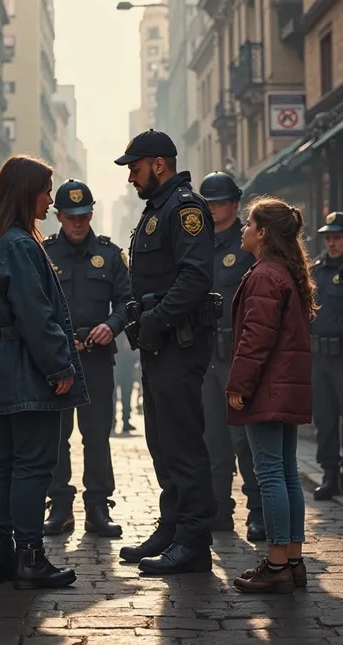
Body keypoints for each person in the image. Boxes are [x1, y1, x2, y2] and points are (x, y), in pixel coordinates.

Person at [0, 157, 89, 590]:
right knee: (33, 464)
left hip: (4, 362)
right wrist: (59, 364)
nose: (50, 199)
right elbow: (35, 315)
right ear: (26, 193)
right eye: (45, 190)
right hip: (26, 364)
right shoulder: (19, 244)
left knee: (1, 461)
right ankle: (30, 557)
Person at [114, 129, 217, 575]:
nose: (131, 179)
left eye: (135, 169)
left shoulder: (186, 208)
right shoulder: (156, 209)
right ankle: (172, 525)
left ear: (159, 164)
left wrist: (154, 321)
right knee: (161, 441)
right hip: (159, 347)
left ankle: (193, 541)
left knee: (183, 442)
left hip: (179, 342)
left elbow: (195, 278)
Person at [228, 197, 314, 594]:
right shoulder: (286, 273)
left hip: (267, 388)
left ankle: (277, 562)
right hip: (286, 386)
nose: (244, 229)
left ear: (262, 233)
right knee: (287, 473)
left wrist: (239, 387)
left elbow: (254, 340)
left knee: (271, 474)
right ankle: (293, 560)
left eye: (249, 224)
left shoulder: (265, 274)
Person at [43, 179, 130, 537]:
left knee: (96, 435)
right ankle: (60, 506)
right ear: (59, 216)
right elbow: (37, 307)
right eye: (70, 216)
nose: (78, 223)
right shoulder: (44, 254)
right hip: (58, 359)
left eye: (83, 215)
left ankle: (97, 506)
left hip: (96, 360)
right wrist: (61, 341)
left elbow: (128, 302)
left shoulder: (110, 254)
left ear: (91, 212)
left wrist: (112, 325)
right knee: (57, 436)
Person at [199, 172, 264, 541]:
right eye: (208, 203)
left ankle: (257, 512)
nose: (213, 209)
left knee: (244, 437)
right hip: (207, 353)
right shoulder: (198, 242)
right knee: (212, 437)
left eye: (219, 203)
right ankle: (220, 510)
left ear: (235, 205)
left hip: (238, 354)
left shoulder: (248, 242)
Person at [310, 212, 343, 500]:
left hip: (342, 358)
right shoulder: (316, 270)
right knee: (324, 419)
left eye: (337, 238)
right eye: (328, 238)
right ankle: (330, 474)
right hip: (319, 359)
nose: (331, 243)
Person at [113, 332, 138, 434]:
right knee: (124, 394)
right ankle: (124, 421)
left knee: (118, 394)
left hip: (119, 362)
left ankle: (119, 421)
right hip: (122, 363)